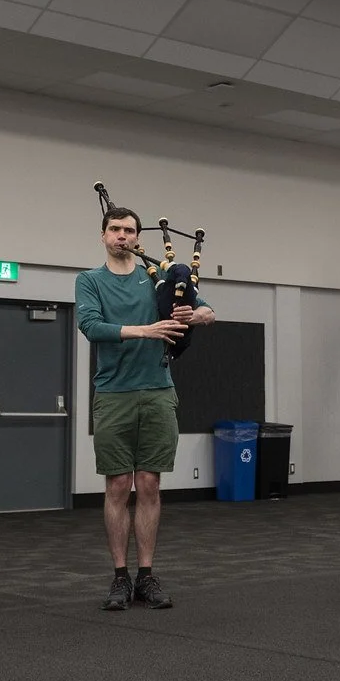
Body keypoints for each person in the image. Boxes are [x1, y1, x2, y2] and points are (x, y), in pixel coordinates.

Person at [75, 206, 215, 611]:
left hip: (157, 390)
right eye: (115, 229)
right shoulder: (90, 280)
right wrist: (147, 330)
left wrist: (195, 315)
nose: (122, 236)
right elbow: (91, 326)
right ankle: (120, 577)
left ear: (139, 238)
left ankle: (146, 575)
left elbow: (207, 310)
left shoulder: (156, 277)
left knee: (149, 484)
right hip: (114, 393)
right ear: (103, 235)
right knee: (118, 485)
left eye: (130, 231)